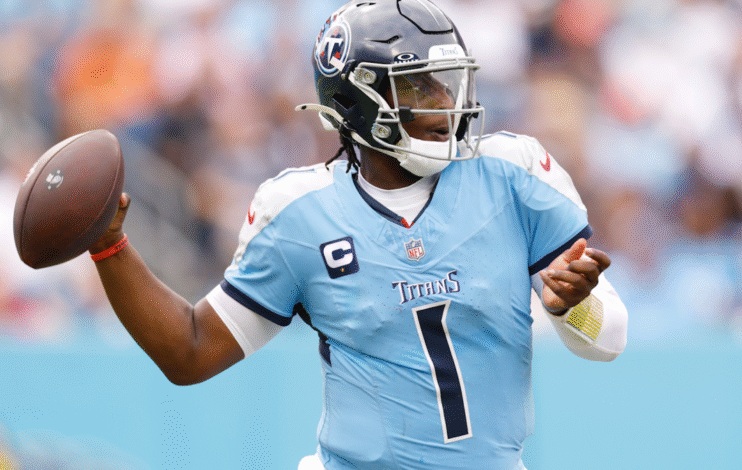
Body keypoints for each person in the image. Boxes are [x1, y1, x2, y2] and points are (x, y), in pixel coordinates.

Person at [88, 1, 628, 469]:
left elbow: (609, 340)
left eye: (447, 81)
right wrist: (109, 247)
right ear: (357, 100)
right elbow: (191, 351)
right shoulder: (300, 212)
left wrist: (571, 307)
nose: (445, 103)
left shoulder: (512, 173)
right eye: (417, 86)